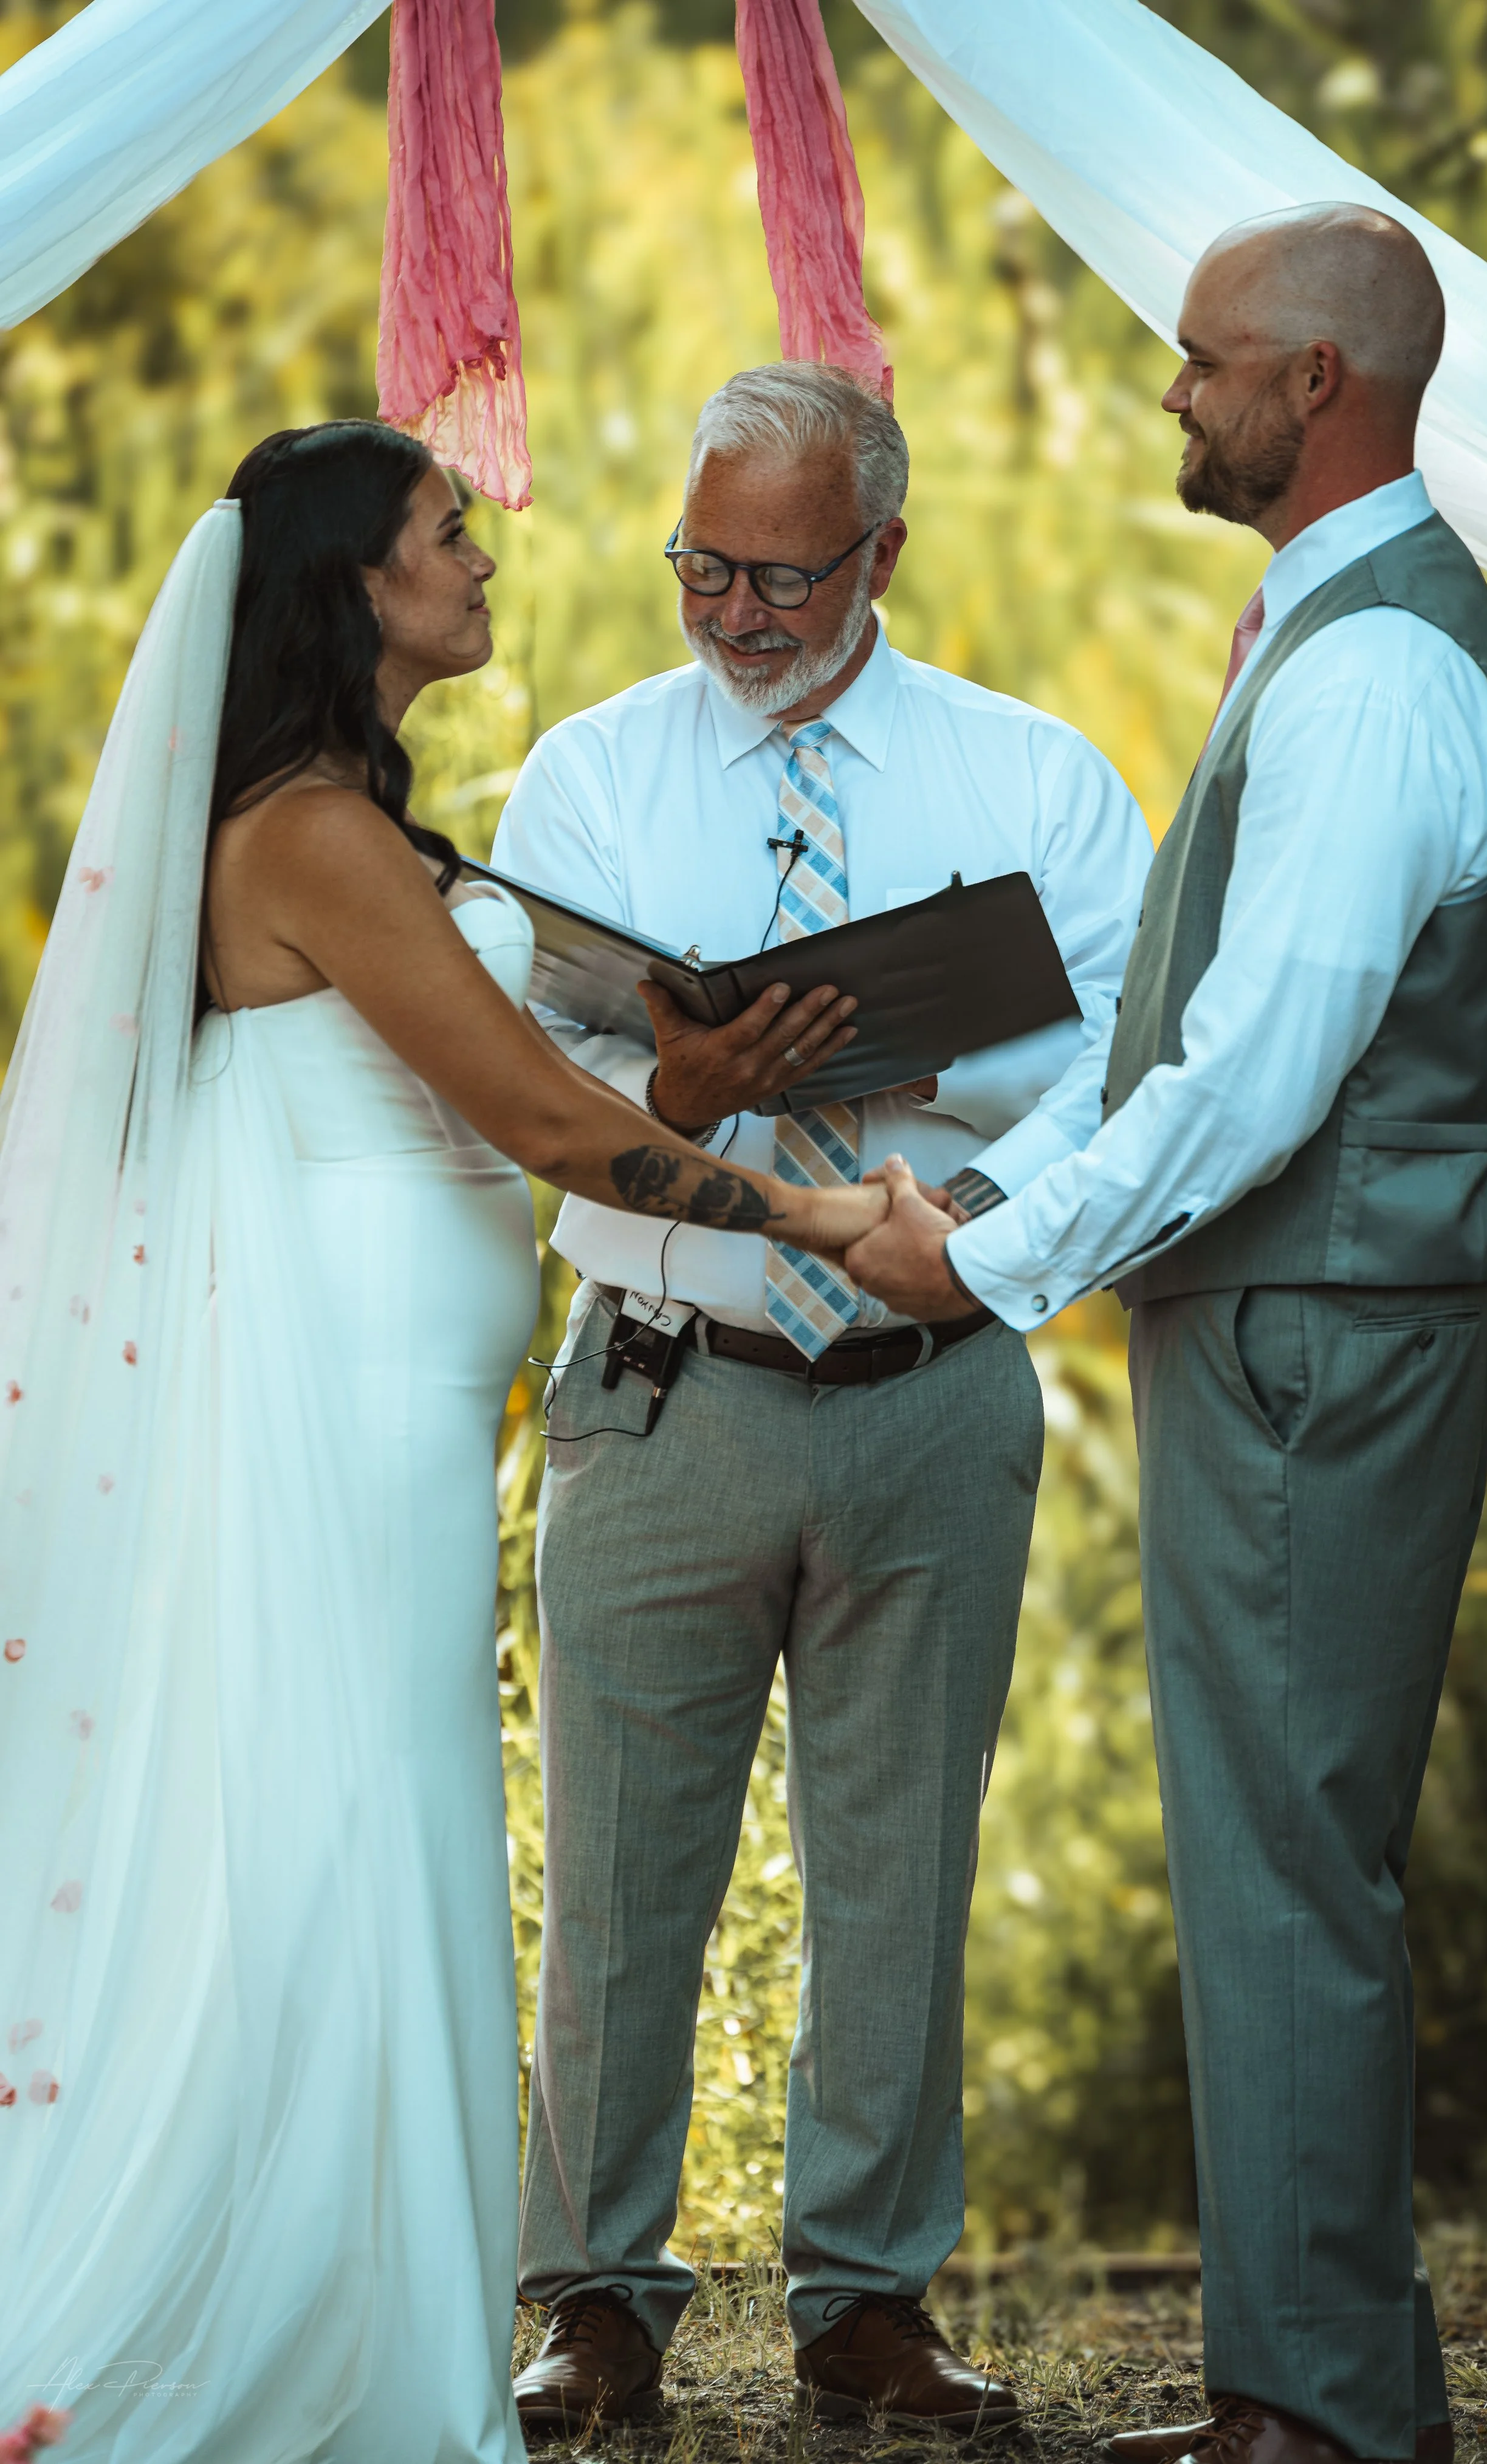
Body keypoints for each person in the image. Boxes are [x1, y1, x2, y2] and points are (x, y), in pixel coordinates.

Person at [0, 421, 886, 2463]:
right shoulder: (303, 828)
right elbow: (552, 1127)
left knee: (376, 1825)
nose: (480, 561)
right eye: (441, 536)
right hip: (330, 1415)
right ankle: (294, 2343)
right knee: (336, 1832)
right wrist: (827, 1215)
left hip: (395, 1423)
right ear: (347, 590)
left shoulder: (369, 825)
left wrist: (680, 1074)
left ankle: (358, 2330)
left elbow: (520, 1079)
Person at [845, 207, 1487, 2464]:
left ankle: (1312, 2418)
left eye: (1206, 358)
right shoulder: (1339, 637)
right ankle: (1335, 2385)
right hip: (1297, 1316)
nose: (1173, 390)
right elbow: (1192, 1059)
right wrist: (1003, 1201)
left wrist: (989, 1263)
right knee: (1279, 1841)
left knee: (1284, 1852)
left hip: (1315, 1332)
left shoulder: (1376, 675)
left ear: (1314, 385)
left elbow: (1256, 1068)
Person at [491, 361, 1152, 2432]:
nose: (735, 610)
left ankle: (867, 2302)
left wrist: (955, 1205)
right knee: (615, 1871)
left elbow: (1134, 1055)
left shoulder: (1032, 777)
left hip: (932, 1381)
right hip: (668, 1384)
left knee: (900, 1862)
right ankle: (592, 2296)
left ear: (883, 547)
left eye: (780, 572)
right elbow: (516, 1066)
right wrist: (666, 1092)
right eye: (701, 564)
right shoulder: (588, 780)